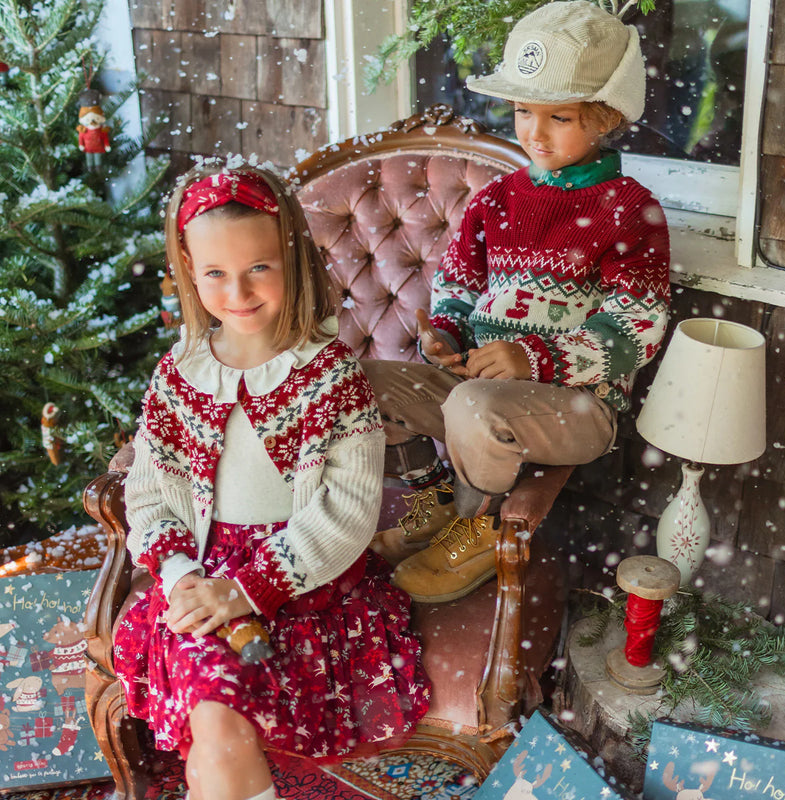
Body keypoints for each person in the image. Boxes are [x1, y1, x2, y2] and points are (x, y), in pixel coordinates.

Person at [113, 161, 430, 800]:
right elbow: (150, 494)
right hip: (200, 585)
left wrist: (247, 589)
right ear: (188, 271)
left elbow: (345, 515)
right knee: (216, 728)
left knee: (213, 750)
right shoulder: (180, 377)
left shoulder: (330, 382)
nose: (238, 291)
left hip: (301, 581)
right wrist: (182, 578)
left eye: (258, 267)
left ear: (292, 260)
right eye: (214, 274)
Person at [365, 0, 671, 602]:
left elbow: (637, 332)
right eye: (523, 111)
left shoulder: (628, 209)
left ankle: (478, 527)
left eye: (558, 116)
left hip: (578, 408)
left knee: (476, 406)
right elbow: (457, 290)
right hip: (477, 390)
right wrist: (446, 337)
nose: (534, 132)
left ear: (605, 117)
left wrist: (532, 357)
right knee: (359, 380)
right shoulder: (495, 201)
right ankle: (436, 497)